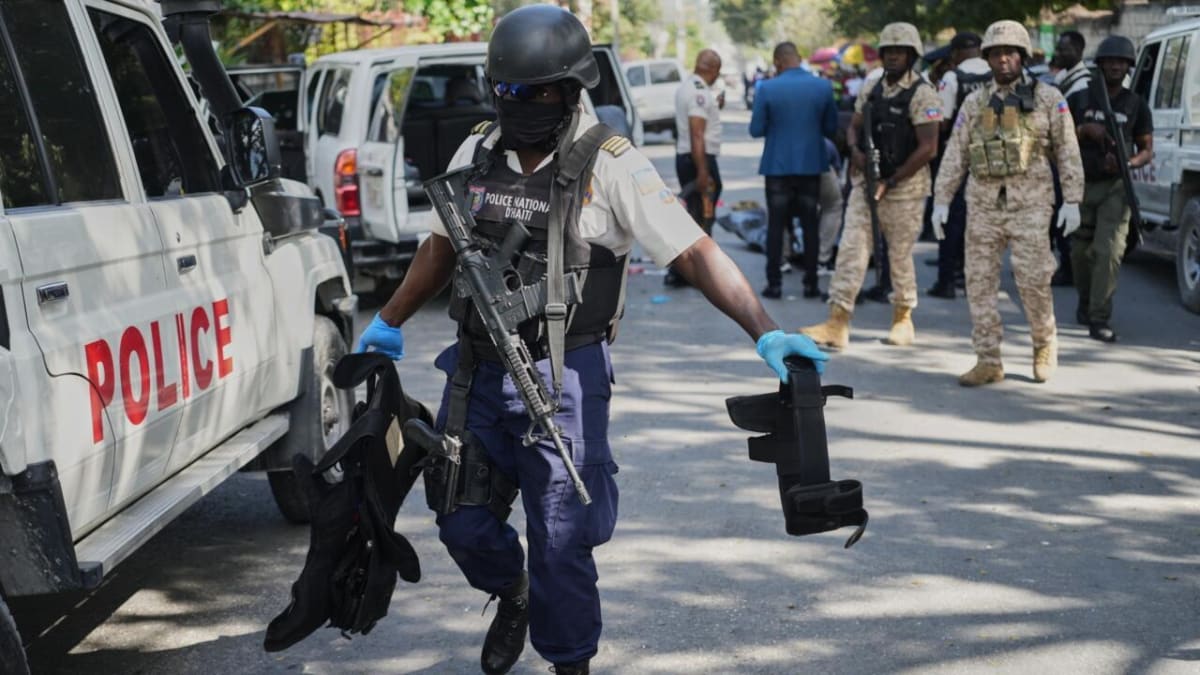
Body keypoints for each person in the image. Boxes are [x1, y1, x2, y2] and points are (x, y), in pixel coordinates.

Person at [354, 7, 828, 674]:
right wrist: (388, 322)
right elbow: (439, 246)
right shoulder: (478, 150)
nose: (517, 104)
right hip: (478, 371)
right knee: (460, 520)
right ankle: (511, 591)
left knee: (562, 535)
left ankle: (568, 661)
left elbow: (692, 252)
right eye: (507, 91)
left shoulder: (610, 161)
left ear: (571, 87)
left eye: (535, 91)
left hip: (565, 372)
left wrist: (767, 332)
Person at [932, 20, 1084, 386]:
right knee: (979, 284)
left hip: (1031, 204)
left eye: (1010, 53)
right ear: (987, 58)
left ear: (1022, 56)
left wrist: (1073, 199)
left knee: (1033, 281)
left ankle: (1044, 343)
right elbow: (955, 153)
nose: (1003, 60)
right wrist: (941, 199)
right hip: (983, 204)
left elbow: (1067, 150)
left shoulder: (1049, 98)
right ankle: (988, 358)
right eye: (996, 54)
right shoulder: (975, 101)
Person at [801, 23, 941, 350]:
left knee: (900, 257)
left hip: (904, 190)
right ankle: (837, 322)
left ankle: (903, 318)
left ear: (911, 55)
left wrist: (891, 181)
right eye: (888, 51)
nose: (893, 57)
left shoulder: (924, 92)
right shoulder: (873, 86)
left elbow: (928, 147)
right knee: (851, 249)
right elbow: (854, 125)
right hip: (867, 184)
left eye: (900, 51)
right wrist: (856, 151)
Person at [1066, 35, 1153, 343]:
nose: (1116, 65)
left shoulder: (1136, 104)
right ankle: (1085, 301)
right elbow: (1056, 139)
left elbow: (1147, 149)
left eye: (1122, 61)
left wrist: (1127, 164)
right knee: (1079, 252)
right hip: (1082, 184)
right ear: (1100, 64)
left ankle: (1099, 317)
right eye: (1110, 60)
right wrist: (1083, 130)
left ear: (1129, 66)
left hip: (1117, 187)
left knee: (1108, 252)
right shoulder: (1080, 98)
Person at [750, 41, 838, 299]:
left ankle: (774, 283)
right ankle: (811, 284)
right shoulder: (823, 86)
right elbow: (831, 128)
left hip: (777, 168)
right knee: (810, 223)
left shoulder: (766, 88)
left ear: (777, 62)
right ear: (799, 58)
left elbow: (756, 129)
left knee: (776, 226)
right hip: (811, 165)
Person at [929, 31, 990, 299]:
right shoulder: (995, 74)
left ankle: (947, 281)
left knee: (950, 222)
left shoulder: (953, 78)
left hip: (958, 159)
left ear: (954, 54)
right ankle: (973, 279)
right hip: (994, 160)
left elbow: (942, 123)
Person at [665, 48, 724, 288]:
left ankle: (689, 271)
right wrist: (703, 171)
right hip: (698, 159)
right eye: (718, 71)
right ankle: (688, 272)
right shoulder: (698, 93)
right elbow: (697, 133)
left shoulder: (690, 87)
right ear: (711, 69)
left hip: (690, 158)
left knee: (695, 216)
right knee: (700, 219)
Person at [1050, 31, 1092, 287]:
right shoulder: (1066, 79)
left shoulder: (1083, 84)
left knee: (1067, 218)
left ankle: (1070, 269)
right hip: (1059, 160)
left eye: (1064, 50)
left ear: (1078, 51)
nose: (1058, 54)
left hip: (1073, 161)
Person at [817, 137, 845, 275]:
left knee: (780, 210)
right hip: (821, 158)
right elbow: (838, 172)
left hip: (783, 163)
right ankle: (822, 258)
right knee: (833, 206)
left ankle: (782, 256)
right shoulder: (827, 144)